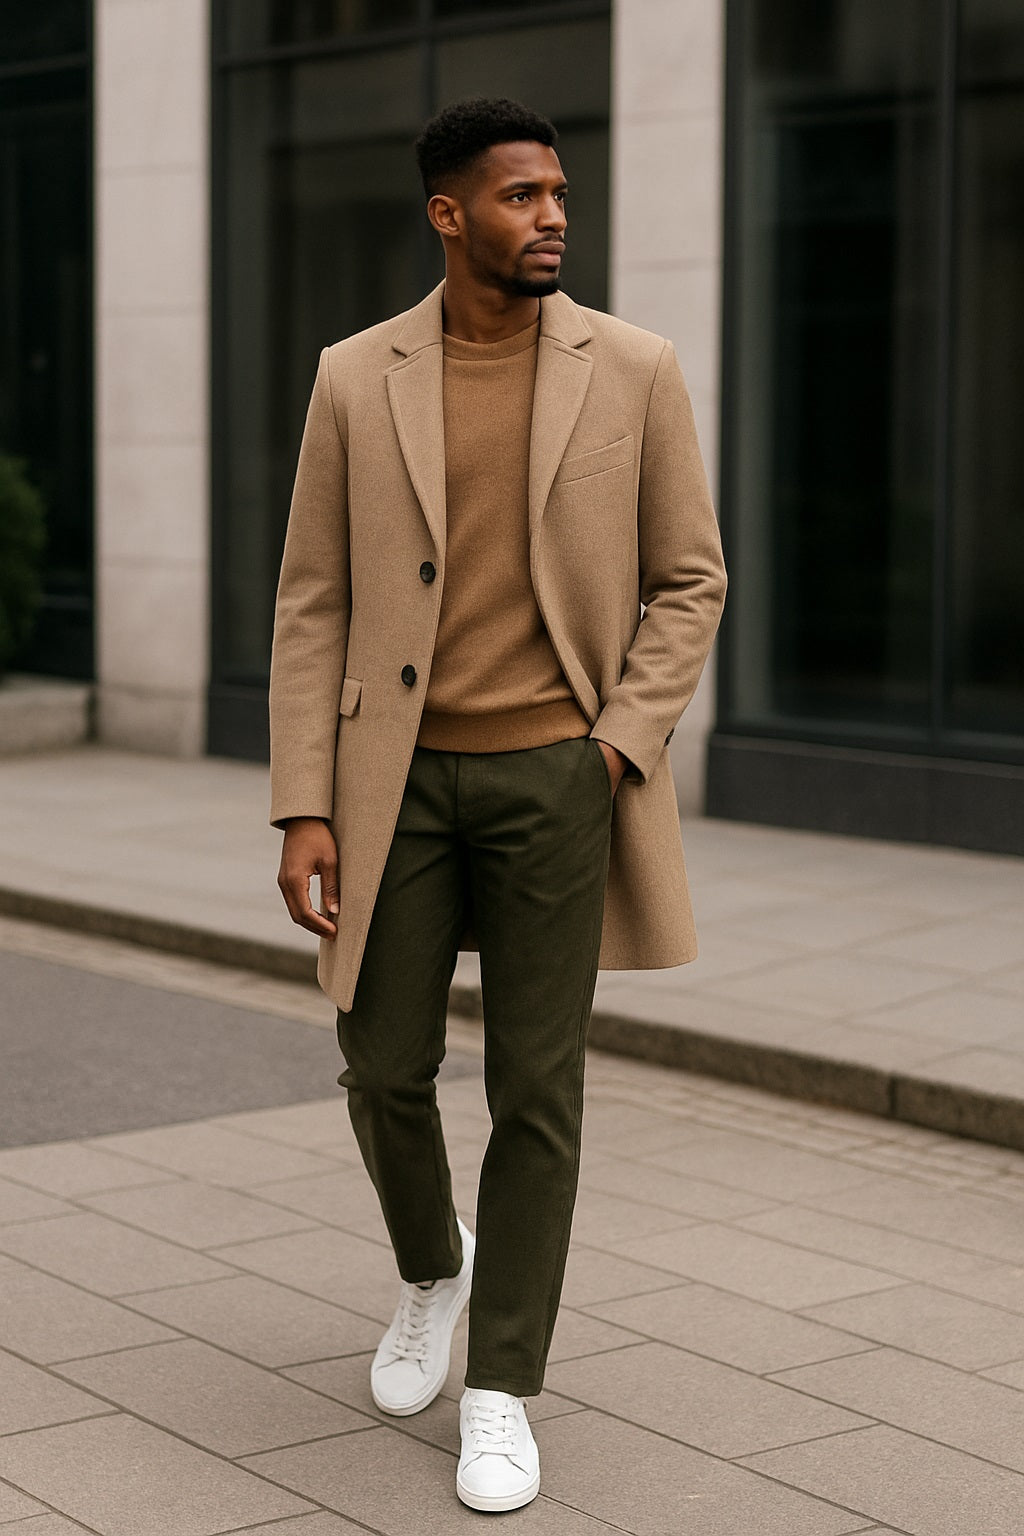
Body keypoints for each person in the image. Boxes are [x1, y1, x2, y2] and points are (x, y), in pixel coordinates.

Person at [269, 95, 726, 1513]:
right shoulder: (357, 376)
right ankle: (433, 1267)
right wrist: (303, 806)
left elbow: (690, 577)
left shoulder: (633, 369)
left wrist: (614, 746)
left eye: (561, 196)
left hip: (556, 778)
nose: (554, 219)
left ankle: (502, 1388)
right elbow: (314, 601)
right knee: (382, 1063)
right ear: (448, 213)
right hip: (388, 781)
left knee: (540, 1091)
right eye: (524, 197)